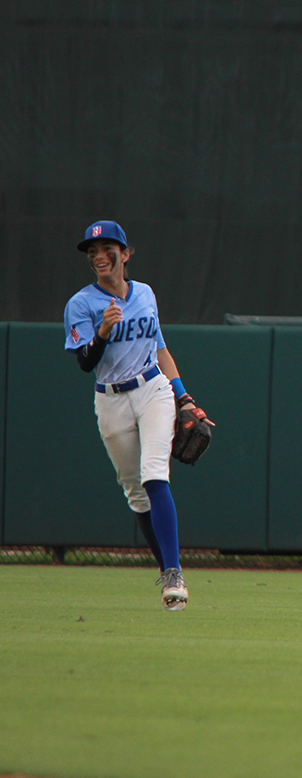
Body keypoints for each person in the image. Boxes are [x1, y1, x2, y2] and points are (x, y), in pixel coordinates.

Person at [63, 221, 212, 612]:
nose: (98, 256)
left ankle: (175, 573)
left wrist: (185, 398)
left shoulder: (144, 294)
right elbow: (84, 363)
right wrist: (101, 334)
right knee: (136, 493)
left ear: (125, 254)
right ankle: (167, 572)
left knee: (154, 474)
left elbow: (161, 349)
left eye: (106, 248)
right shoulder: (81, 304)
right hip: (110, 400)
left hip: (152, 389)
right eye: (92, 251)